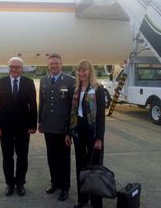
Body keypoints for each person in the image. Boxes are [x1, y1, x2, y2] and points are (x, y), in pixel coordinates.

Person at [0, 57, 37, 197]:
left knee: (22, 156)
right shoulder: (0, 82)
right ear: (8, 67)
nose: (14, 69)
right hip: (5, 128)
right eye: (12, 66)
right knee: (7, 157)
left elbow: (33, 106)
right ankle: (10, 183)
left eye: (17, 67)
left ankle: (20, 183)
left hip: (24, 128)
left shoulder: (29, 83)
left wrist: (33, 125)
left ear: (22, 68)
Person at [65, 59, 106, 208]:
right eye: (79, 70)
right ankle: (82, 199)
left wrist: (99, 138)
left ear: (90, 71)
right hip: (78, 132)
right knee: (81, 166)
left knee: (95, 168)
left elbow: (101, 115)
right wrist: (69, 133)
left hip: (93, 132)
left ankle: (96, 203)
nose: (82, 73)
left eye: (84, 70)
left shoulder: (97, 89)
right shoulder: (75, 89)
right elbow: (72, 113)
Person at [38, 53, 75, 201]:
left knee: (64, 158)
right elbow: (42, 102)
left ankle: (65, 187)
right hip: (48, 126)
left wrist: (70, 130)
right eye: (51, 63)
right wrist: (40, 121)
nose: (54, 66)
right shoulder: (43, 80)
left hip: (63, 127)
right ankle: (54, 182)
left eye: (56, 63)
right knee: (51, 156)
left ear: (61, 64)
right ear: (48, 65)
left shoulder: (70, 80)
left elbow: (73, 107)